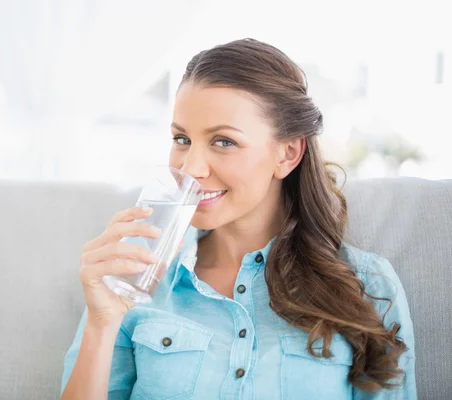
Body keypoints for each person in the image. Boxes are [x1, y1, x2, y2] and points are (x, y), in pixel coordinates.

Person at [60, 38, 416, 400]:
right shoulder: (136, 275)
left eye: (224, 142)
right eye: (181, 138)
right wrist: (101, 325)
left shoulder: (368, 286)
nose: (191, 167)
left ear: (287, 154)